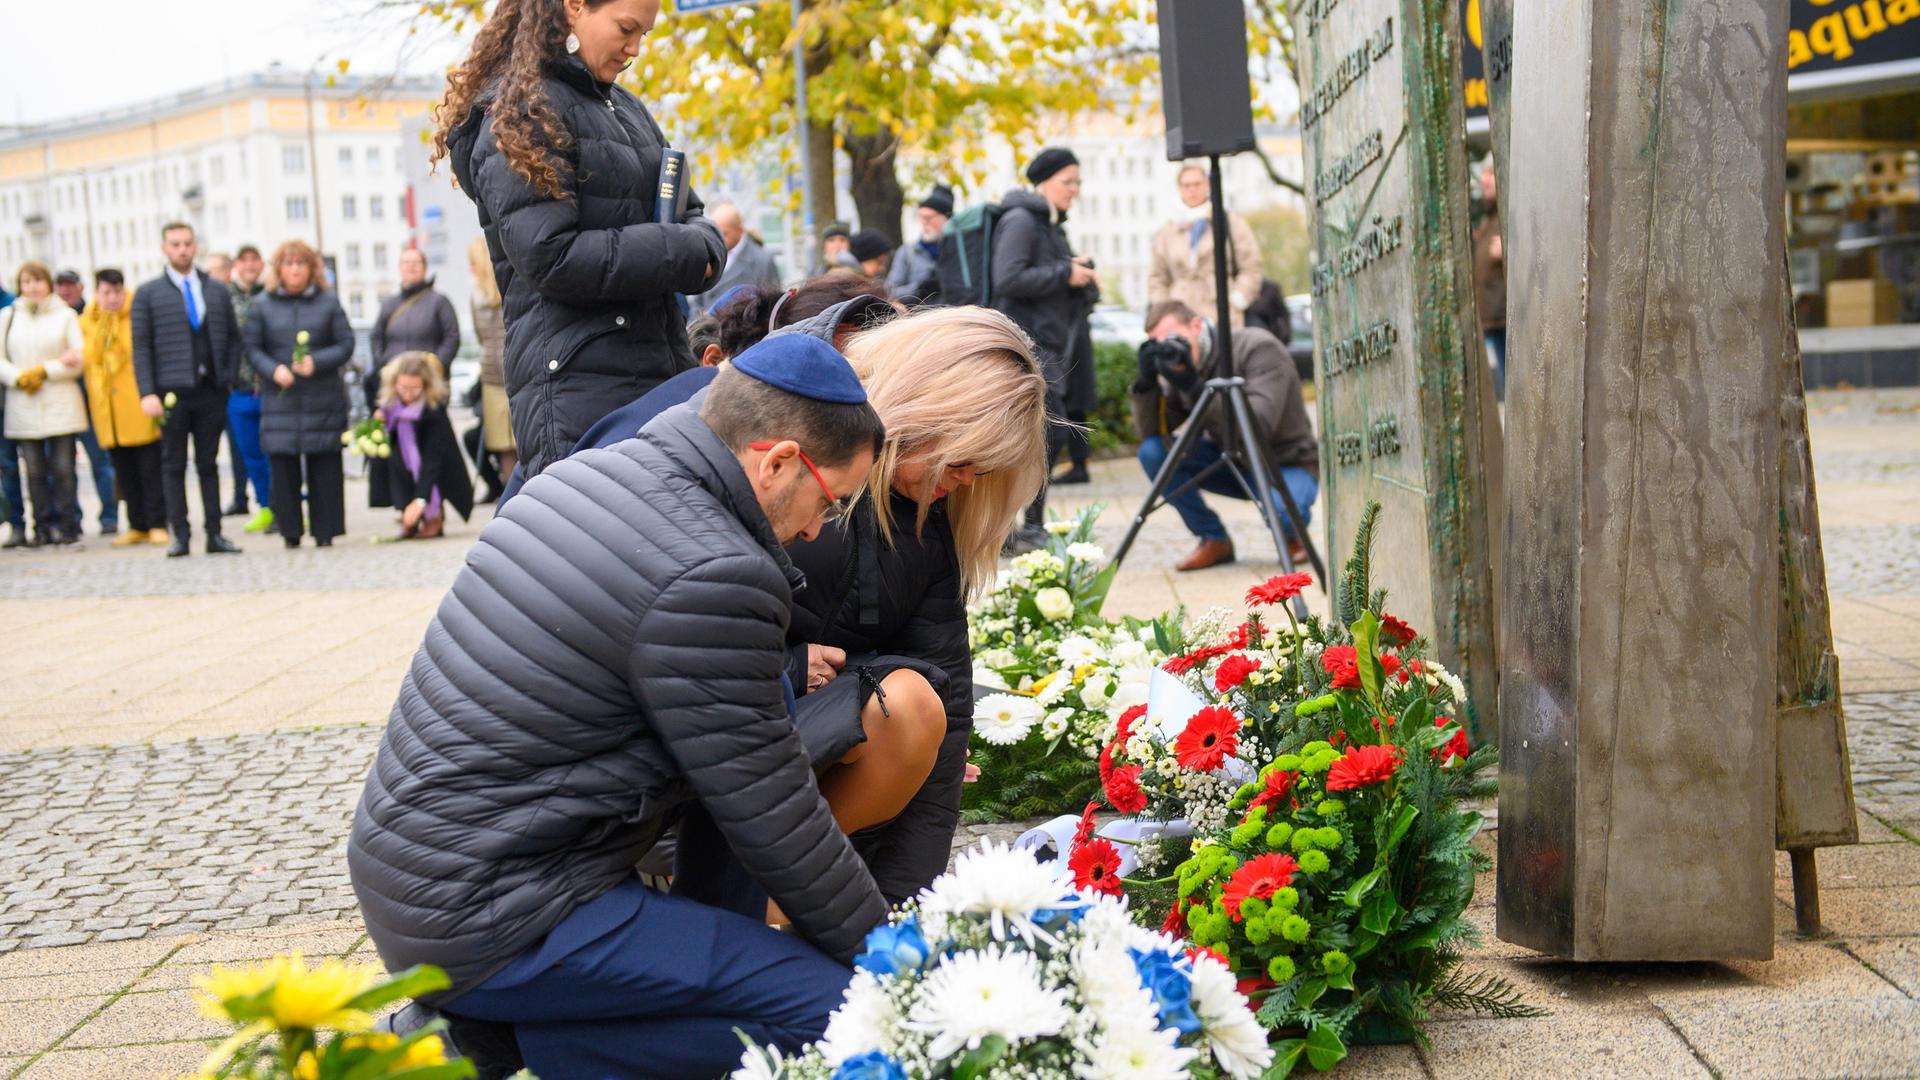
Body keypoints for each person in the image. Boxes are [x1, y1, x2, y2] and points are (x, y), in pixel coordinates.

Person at [348, 333, 890, 1078]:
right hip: (497, 914)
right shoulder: (715, 571)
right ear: (777, 463)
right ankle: (481, 1044)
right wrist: (900, 969)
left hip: (420, 872)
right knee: (840, 1011)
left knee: (755, 972)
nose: (816, 530)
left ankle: (475, 1037)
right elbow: (774, 814)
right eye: (832, 501)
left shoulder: (592, 474)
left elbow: (732, 785)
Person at [786, 305, 1049, 903]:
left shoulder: (925, 529)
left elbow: (948, 717)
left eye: (982, 472)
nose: (965, 484)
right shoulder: (785, 464)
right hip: (709, 740)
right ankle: (759, 893)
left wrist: (904, 910)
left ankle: (801, 895)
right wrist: (789, 668)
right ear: (924, 410)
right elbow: (684, 637)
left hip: (796, 756)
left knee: (916, 704)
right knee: (900, 698)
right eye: (960, 461)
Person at [438, 0, 726, 480]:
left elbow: (694, 217)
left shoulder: (626, 108)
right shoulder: (521, 108)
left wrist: (695, 245)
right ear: (574, 7)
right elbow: (552, 258)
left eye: (645, 35)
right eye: (626, 28)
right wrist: (683, 250)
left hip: (656, 368)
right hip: (576, 389)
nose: (634, 49)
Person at [1132, 299, 1318, 571]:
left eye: (1173, 339)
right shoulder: (1181, 364)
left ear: (1196, 325)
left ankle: (1292, 535)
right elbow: (1151, 431)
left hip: (1285, 462)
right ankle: (1213, 539)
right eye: (1159, 345)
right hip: (1233, 462)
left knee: (1282, 513)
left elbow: (1258, 428)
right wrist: (1145, 385)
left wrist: (1195, 387)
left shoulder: (1257, 348)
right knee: (1153, 452)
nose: (1170, 350)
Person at [992, 146, 1100, 531]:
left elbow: (1055, 278)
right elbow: (1007, 278)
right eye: (1066, 182)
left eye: (1077, 183)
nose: (1074, 190)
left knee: (1047, 435)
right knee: (1046, 434)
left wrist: (1080, 278)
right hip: (1027, 343)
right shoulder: (1022, 220)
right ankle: (1017, 527)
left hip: (1049, 344)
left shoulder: (1051, 225)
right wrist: (1063, 273)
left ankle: (1026, 526)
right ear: (1043, 183)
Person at [130, 222, 244, 557]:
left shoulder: (216, 290)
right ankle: (180, 533)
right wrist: (147, 392)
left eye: (187, 243)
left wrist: (229, 377)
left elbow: (234, 340)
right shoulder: (149, 293)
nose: (182, 249)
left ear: (196, 247)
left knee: (209, 464)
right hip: (171, 393)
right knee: (173, 464)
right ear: (164, 248)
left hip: (211, 390)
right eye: (175, 244)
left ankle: (215, 534)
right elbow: (142, 347)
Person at [246, 240, 354, 549]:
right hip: (282, 400)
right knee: (284, 469)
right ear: (279, 269)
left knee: (325, 467)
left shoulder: (328, 303)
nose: (295, 269)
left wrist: (316, 362)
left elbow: (345, 344)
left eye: (301, 263)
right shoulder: (262, 305)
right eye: (289, 264)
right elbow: (252, 348)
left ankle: (326, 531)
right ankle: (290, 531)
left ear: (312, 268)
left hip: (323, 399)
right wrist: (273, 370)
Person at [0, 262, 87, 547]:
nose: (33, 287)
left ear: (47, 283)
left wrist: (46, 371)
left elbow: (77, 359)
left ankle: (68, 525)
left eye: (38, 281)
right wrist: (19, 377)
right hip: (24, 402)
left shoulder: (64, 315)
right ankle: (42, 527)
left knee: (63, 468)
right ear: (19, 285)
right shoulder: (8, 317)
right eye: (26, 282)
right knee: (34, 471)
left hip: (60, 401)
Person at [81, 270, 166, 546]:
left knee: (149, 466)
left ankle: (156, 521)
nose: (113, 299)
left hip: (137, 403)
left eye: (117, 292)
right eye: (106, 293)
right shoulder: (88, 321)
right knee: (124, 469)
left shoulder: (137, 315)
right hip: (109, 409)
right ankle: (136, 523)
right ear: (97, 293)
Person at [1147, 163, 1264, 328]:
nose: (1192, 190)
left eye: (1197, 184)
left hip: (1223, 312)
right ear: (1179, 189)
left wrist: (1237, 300)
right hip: (1181, 316)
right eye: (1186, 185)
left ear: (1207, 185)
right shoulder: (1168, 232)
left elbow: (1251, 266)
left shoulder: (1229, 222)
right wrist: (1166, 309)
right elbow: (1157, 278)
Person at [374, 351, 474, 540]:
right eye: (403, 388)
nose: (408, 395)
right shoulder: (390, 403)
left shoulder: (434, 411)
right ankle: (408, 513)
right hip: (404, 458)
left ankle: (433, 515)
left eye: (415, 389)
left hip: (436, 462)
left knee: (428, 470)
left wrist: (420, 500)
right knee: (399, 463)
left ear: (426, 386)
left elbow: (432, 460)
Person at [54, 268, 118, 538]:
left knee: (101, 462)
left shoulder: (92, 317)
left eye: (71, 285)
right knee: (61, 466)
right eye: (61, 286)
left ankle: (110, 517)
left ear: (81, 288)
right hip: (63, 400)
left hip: (92, 400)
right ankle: (72, 519)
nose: (66, 290)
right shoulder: (55, 319)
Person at [365, 248, 461, 416]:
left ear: (424, 268)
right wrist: (384, 364)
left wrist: (435, 366)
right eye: (406, 263)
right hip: (395, 385)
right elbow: (376, 337)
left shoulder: (439, 302)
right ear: (400, 268)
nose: (411, 267)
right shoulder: (389, 304)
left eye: (416, 263)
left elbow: (452, 337)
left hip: (428, 384)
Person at [224, 245, 274, 533]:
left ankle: (284, 504)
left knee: (276, 452)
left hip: (270, 386)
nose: (250, 265)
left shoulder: (271, 294)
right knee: (251, 453)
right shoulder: (223, 297)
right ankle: (265, 505)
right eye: (244, 261)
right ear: (236, 265)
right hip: (240, 386)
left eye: (256, 259)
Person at [467, 235, 515, 495]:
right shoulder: (511, 285)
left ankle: (512, 496)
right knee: (518, 442)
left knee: (505, 445)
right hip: (511, 370)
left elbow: (480, 336)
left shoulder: (477, 298)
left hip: (492, 375)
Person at [692, 202, 783, 315]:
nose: (718, 239)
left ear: (739, 230)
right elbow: (697, 304)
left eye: (724, 234)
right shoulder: (708, 256)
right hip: (707, 329)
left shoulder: (762, 261)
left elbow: (773, 307)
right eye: (715, 233)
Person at [1473, 164, 1507, 401]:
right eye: (1483, 181)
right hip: (1491, 313)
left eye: (1490, 179)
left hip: (1504, 312)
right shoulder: (1487, 219)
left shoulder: (1504, 215)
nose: (1486, 185)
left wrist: (1508, 250)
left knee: (1511, 372)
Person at [886, 185, 950, 305]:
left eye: (929, 218)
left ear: (945, 218)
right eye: (921, 217)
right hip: (919, 320)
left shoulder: (957, 252)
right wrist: (919, 288)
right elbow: (890, 292)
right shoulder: (907, 252)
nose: (924, 223)